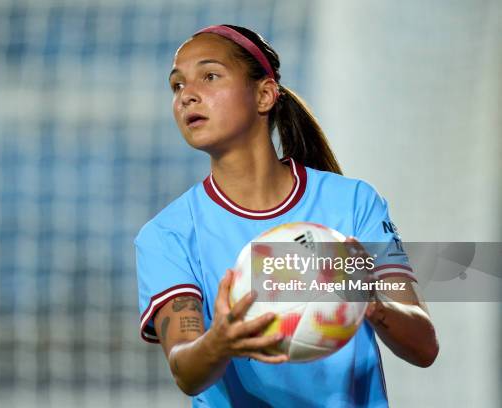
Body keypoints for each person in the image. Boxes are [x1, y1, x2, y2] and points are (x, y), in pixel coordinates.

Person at [135, 24, 438, 407]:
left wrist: (371, 301)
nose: (187, 96)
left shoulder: (354, 203)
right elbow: (185, 370)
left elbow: (424, 346)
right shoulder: (166, 235)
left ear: (264, 95)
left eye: (210, 76)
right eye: (177, 86)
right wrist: (220, 341)